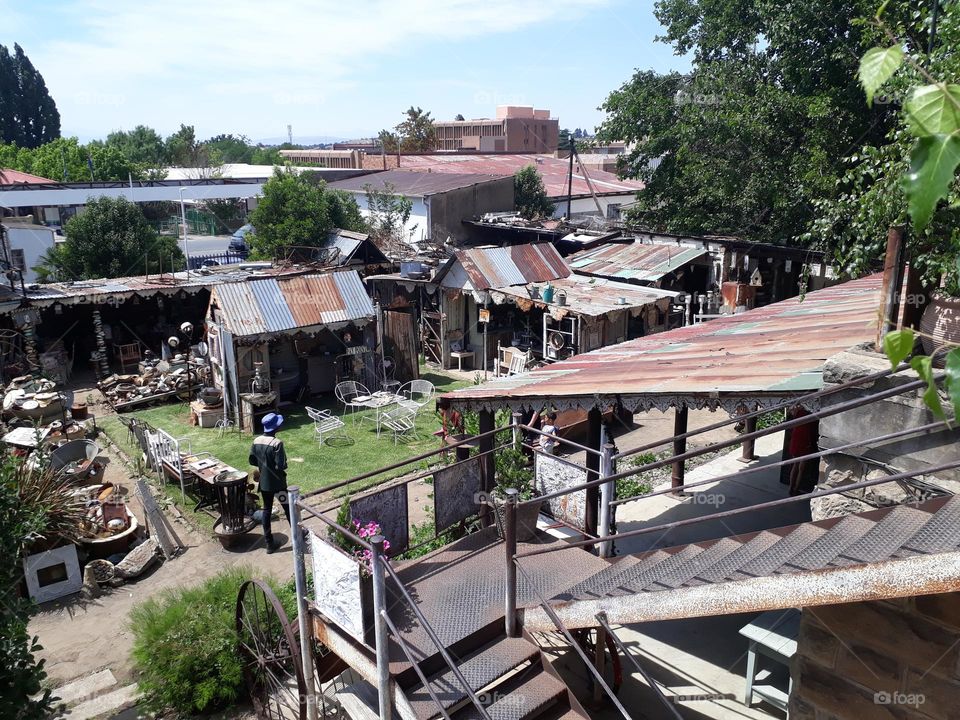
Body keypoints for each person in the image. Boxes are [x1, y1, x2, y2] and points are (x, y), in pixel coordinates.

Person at [249, 412, 290, 553]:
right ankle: (299, 534)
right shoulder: (277, 443)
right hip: (278, 484)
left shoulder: (256, 441)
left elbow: (252, 460)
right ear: (276, 428)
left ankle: (269, 543)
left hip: (265, 484)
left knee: (266, 510)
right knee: (287, 507)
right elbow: (281, 465)